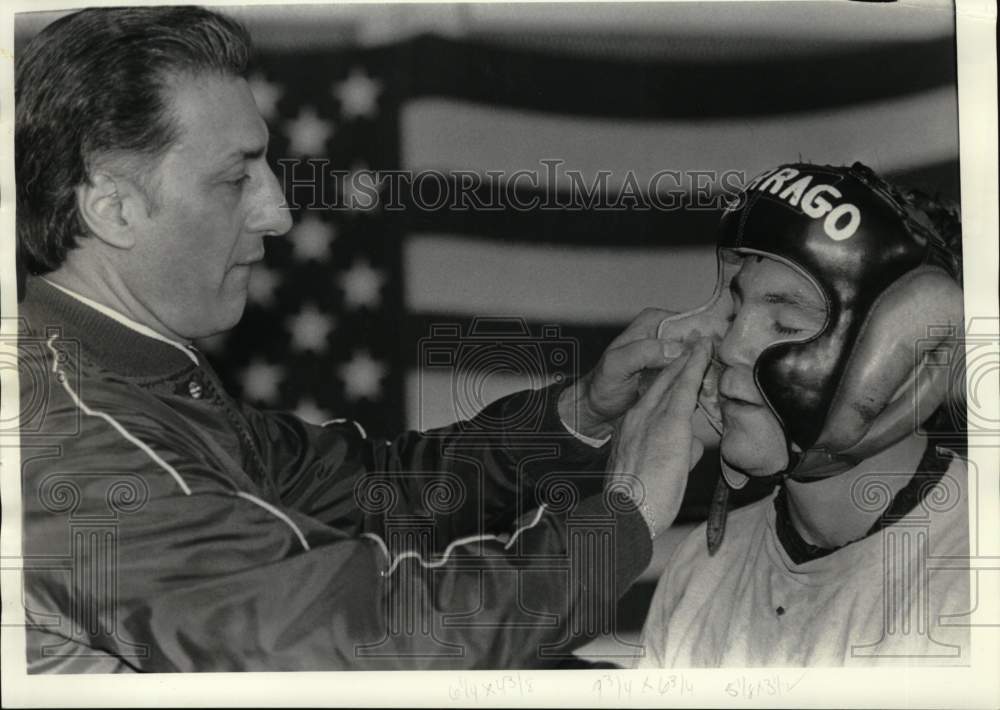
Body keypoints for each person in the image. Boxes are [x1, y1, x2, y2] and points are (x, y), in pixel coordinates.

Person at [15, 7, 710, 672]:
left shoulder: (128, 377)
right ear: (113, 208)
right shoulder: (70, 437)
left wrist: (582, 414)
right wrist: (625, 517)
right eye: (235, 178)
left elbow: (378, 491)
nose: (278, 212)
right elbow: (362, 640)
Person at [637, 161, 970, 667]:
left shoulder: (975, 579)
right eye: (735, 311)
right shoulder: (700, 569)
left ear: (901, 361)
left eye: (786, 321)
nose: (731, 346)